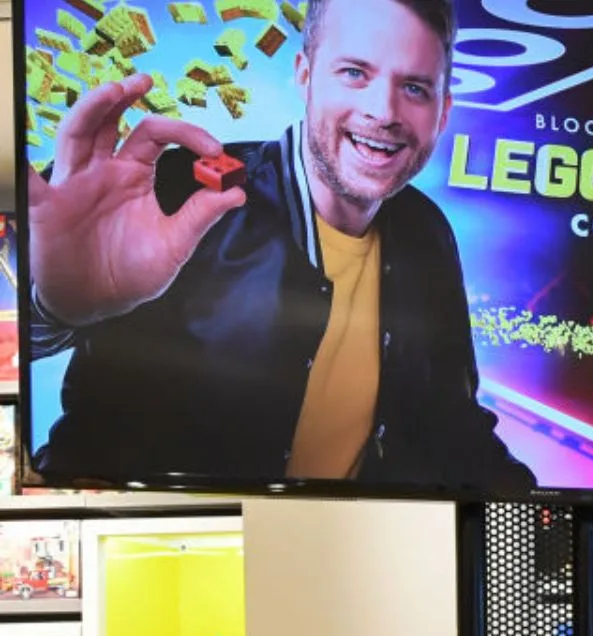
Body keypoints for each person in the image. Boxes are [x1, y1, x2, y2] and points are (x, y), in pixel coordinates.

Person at [26, 0, 531, 491]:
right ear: (305, 75)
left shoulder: (427, 231)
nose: (384, 111)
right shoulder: (179, 192)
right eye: (355, 72)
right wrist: (54, 307)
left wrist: (554, 514)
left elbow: (450, 424)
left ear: (443, 112)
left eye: (415, 88)